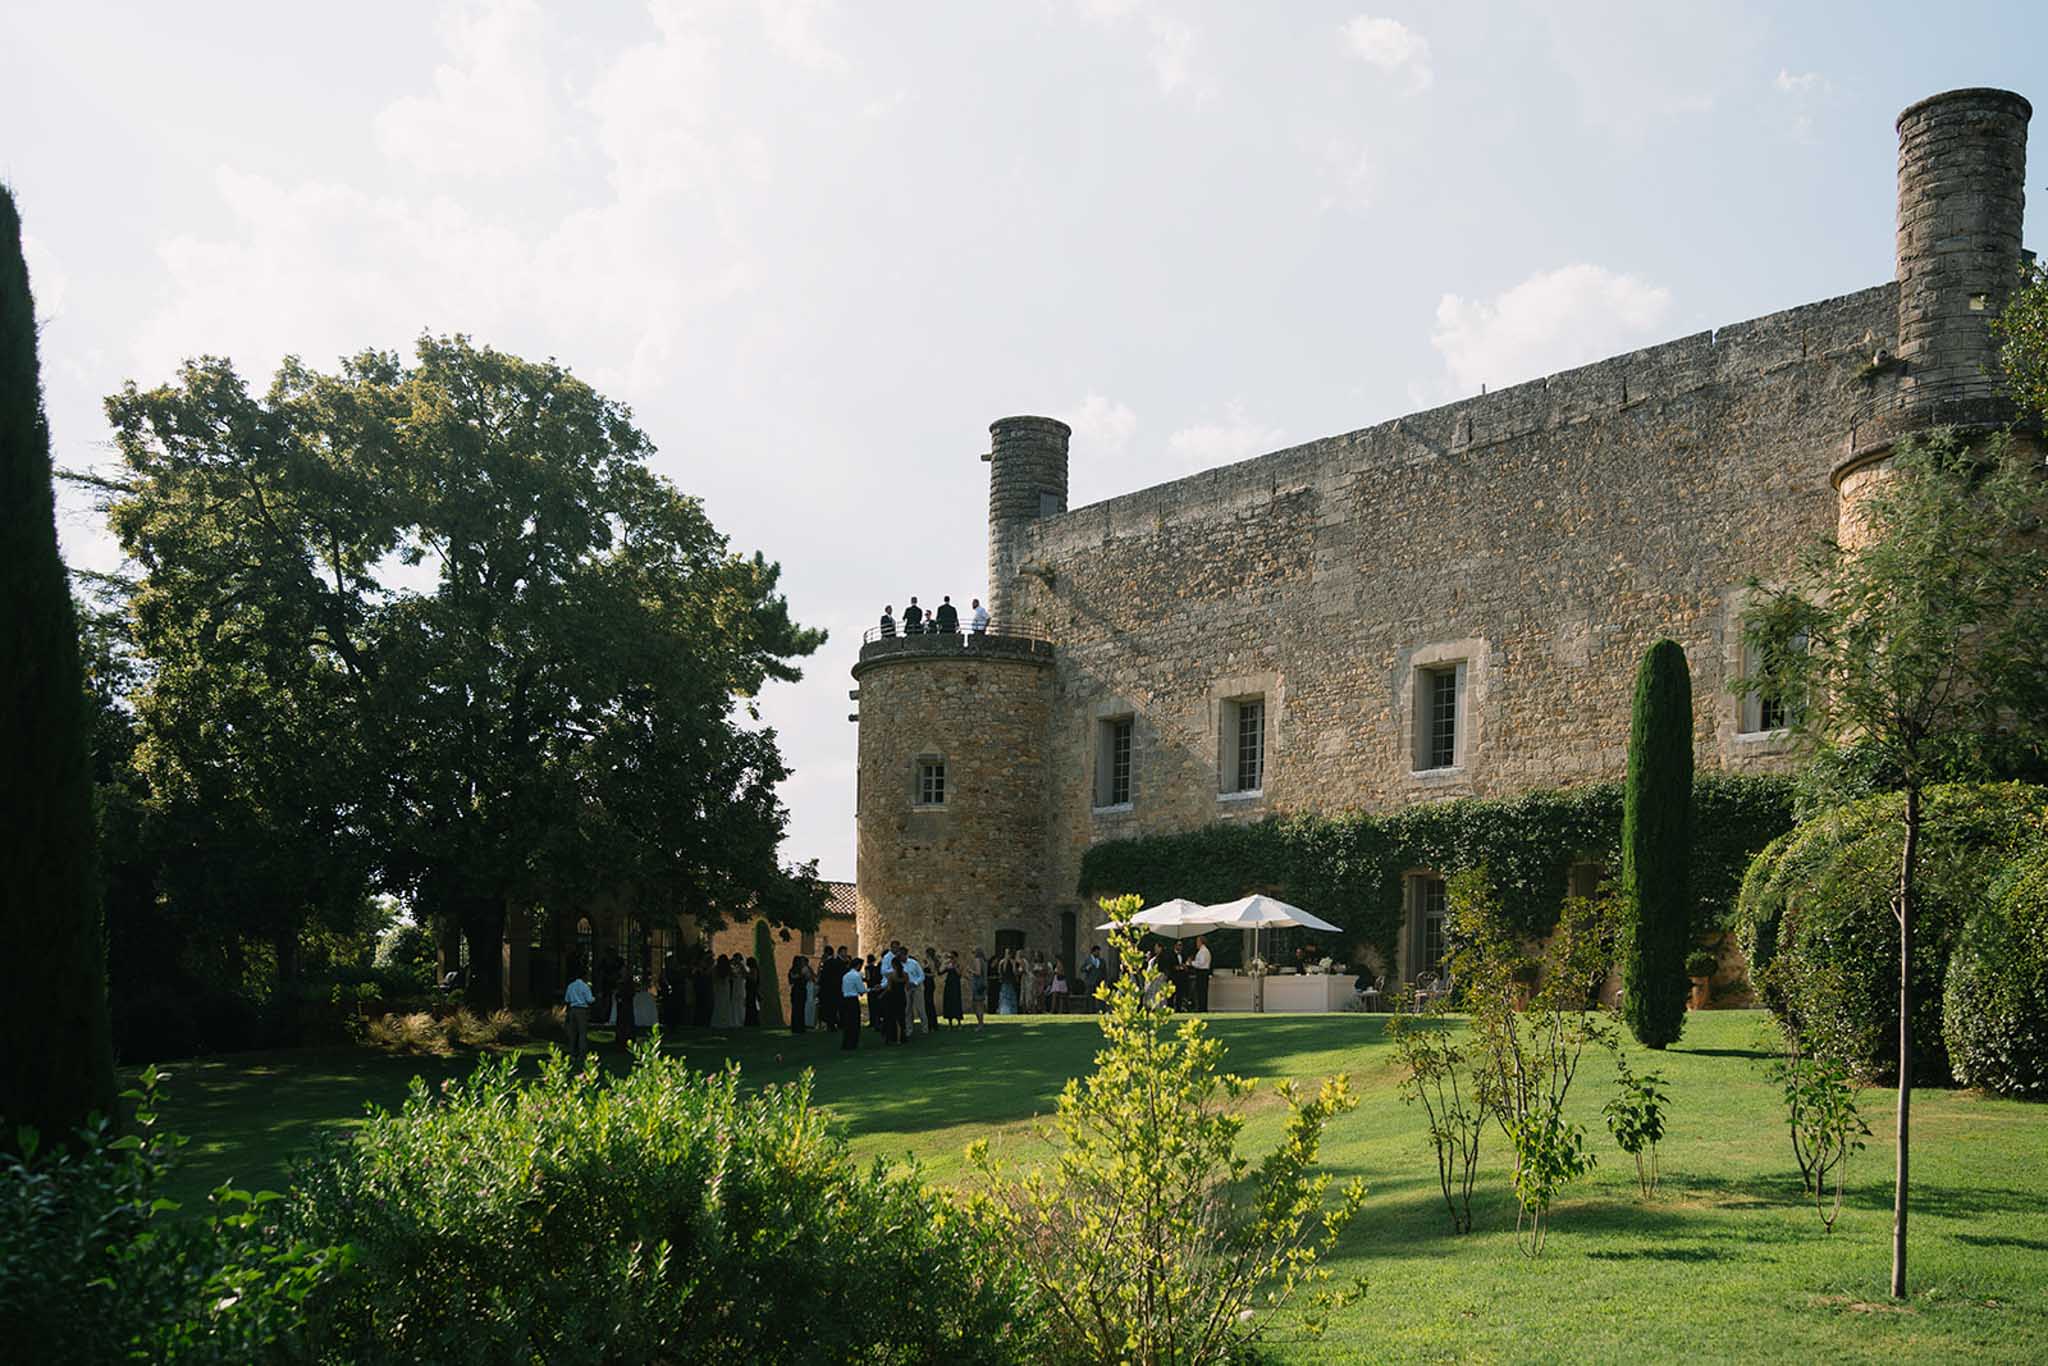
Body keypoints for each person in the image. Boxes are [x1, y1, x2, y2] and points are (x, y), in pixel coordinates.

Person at [564, 961, 595, 1060]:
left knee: (573, 1033)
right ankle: (582, 1054)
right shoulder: (585, 986)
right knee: (582, 1033)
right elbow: (589, 999)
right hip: (582, 1010)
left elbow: (567, 999)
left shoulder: (570, 986)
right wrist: (595, 998)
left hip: (572, 1009)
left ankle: (572, 1053)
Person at [839, 955, 869, 1051]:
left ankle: (846, 1043)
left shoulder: (846, 975)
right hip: (852, 1000)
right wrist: (870, 989)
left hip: (845, 999)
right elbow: (861, 990)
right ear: (858, 965)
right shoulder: (856, 975)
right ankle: (853, 1043)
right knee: (854, 1022)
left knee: (847, 1022)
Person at [788, 955, 811, 1035]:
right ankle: (798, 1027)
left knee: (798, 1009)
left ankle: (797, 1027)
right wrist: (802, 974)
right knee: (798, 1009)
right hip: (799, 991)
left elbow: (808, 978)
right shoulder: (795, 970)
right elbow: (794, 978)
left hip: (798, 991)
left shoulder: (795, 970)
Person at [942, 951, 964, 1026]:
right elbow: (940, 972)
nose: (951, 959)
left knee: (956, 1002)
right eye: (950, 957)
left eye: (952, 957)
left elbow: (959, 974)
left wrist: (954, 966)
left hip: (955, 986)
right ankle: (950, 1022)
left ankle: (959, 1022)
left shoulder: (958, 965)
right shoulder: (948, 965)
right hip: (948, 985)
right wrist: (944, 964)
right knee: (948, 1002)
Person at [1191, 935, 1213, 1012]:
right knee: (1201, 991)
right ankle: (1201, 1007)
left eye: (1197, 942)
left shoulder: (1203, 951)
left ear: (1201, 942)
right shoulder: (1203, 951)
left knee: (1202, 991)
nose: (1196, 944)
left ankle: (1202, 1008)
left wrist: (1191, 963)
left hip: (1202, 972)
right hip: (1202, 972)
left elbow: (1201, 963)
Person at [1081, 945, 1104, 1014]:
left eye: (1099, 952)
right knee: (1089, 998)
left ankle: (1099, 1010)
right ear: (1093, 952)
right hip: (1090, 982)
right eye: (1097, 952)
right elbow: (1082, 969)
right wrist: (1087, 968)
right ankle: (1089, 1011)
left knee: (1099, 998)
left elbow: (1104, 972)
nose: (1098, 953)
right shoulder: (1088, 960)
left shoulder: (1101, 961)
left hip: (1099, 982)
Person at [922, 944, 940, 1030]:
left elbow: (933, 974)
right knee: (928, 1003)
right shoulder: (929, 961)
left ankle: (932, 1024)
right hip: (927, 983)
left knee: (929, 1003)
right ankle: (932, 1023)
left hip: (929, 983)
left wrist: (923, 974)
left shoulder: (931, 962)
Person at [969, 949, 989, 1027]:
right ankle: (981, 1022)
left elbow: (978, 972)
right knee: (980, 1004)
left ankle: (980, 1023)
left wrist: (970, 970)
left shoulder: (977, 960)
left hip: (978, 984)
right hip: (982, 984)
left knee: (977, 1005)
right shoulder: (984, 961)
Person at [998, 951, 1020, 1016]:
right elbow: (1015, 972)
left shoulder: (1002, 962)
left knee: (1005, 997)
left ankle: (1005, 1011)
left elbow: (999, 972)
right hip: (1010, 982)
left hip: (1006, 982)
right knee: (1009, 997)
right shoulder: (1011, 962)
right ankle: (1009, 1011)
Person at [743, 956, 762, 1027]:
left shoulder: (753, 970)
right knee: (750, 1005)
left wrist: (746, 973)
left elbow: (753, 979)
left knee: (751, 1006)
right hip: (751, 990)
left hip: (751, 990)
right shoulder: (753, 969)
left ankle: (752, 1021)